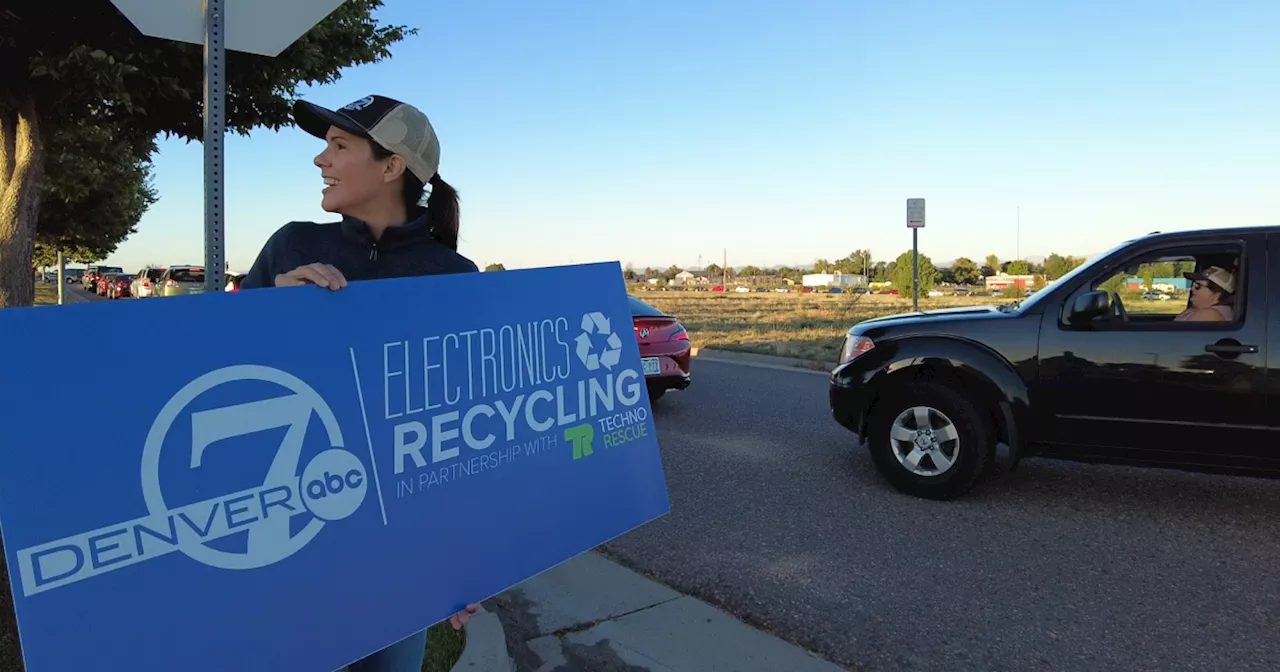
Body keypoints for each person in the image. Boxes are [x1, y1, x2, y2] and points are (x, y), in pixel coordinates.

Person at [238, 94, 481, 671]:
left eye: (339, 146)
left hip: (398, 553)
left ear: (393, 165)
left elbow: (472, 432)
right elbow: (221, 372)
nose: (321, 160)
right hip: (288, 528)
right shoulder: (293, 246)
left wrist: (472, 562)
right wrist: (271, 310)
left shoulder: (455, 278)